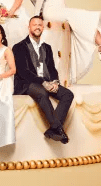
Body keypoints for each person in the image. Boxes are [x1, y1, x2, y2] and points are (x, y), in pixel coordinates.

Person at [12, 16, 72, 144]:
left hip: (46, 82)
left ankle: (52, 130)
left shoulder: (47, 48)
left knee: (68, 94)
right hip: (26, 83)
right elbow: (23, 72)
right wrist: (43, 83)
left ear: (43, 28)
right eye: (34, 25)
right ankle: (58, 129)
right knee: (41, 92)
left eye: (40, 25)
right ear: (29, 28)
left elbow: (51, 68)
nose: (37, 27)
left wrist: (55, 82)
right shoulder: (19, 47)